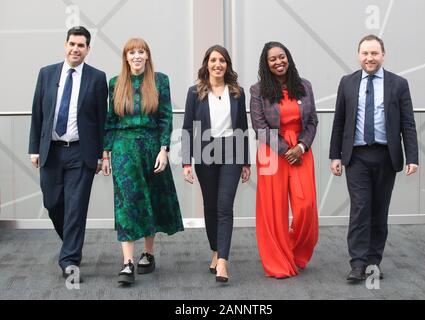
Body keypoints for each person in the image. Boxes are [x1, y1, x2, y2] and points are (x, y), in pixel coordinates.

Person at [329, 34, 419, 282]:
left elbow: (408, 124)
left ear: (383, 55)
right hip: (356, 157)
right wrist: (335, 156)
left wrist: (412, 156)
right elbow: (339, 123)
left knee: (379, 210)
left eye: (374, 53)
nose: (369, 58)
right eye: (365, 53)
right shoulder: (346, 83)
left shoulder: (398, 84)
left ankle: (373, 262)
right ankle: (357, 263)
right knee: (360, 208)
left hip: (386, 156)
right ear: (359, 55)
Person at [28, 26, 108, 283]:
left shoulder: (97, 78)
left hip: (80, 153)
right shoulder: (47, 73)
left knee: (76, 208)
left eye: (81, 45)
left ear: (88, 49)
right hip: (50, 151)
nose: (76, 49)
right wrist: (33, 148)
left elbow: (101, 119)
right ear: (65, 45)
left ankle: (70, 260)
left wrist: (100, 155)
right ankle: (71, 244)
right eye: (72, 44)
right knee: (52, 203)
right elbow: (38, 113)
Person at [102, 38, 183, 285]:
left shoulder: (160, 81)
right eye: (132, 52)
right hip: (123, 149)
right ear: (125, 58)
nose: (137, 56)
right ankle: (127, 263)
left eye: (141, 51)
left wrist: (164, 150)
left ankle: (148, 253)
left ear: (148, 56)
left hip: (151, 147)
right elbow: (110, 121)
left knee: (151, 199)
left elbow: (165, 117)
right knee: (127, 203)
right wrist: (106, 153)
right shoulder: (115, 84)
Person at [181, 45, 251, 283]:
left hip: (231, 152)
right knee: (210, 206)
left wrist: (245, 162)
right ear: (207, 64)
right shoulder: (195, 92)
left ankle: (223, 261)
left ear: (227, 65)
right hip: (205, 155)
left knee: (224, 205)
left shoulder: (237, 92)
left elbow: (243, 127)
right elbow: (188, 128)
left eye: (222, 60)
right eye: (213, 60)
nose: (217, 64)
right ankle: (215, 249)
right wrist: (186, 163)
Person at [250, 41, 319, 279]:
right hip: (271, 152)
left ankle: (295, 252)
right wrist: (284, 149)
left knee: (306, 207)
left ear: (288, 58)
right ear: (266, 64)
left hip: (302, 152)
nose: (278, 62)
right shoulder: (258, 90)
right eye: (273, 59)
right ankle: (277, 260)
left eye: (282, 57)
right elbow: (259, 126)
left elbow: (312, 122)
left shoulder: (305, 86)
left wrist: (300, 147)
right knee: (273, 210)